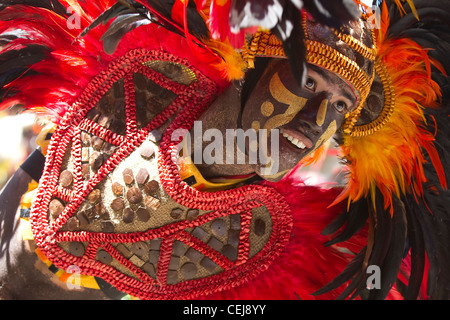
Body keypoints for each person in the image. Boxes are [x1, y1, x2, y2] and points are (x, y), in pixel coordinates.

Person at [0, 0, 448, 300]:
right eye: (309, 80)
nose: (317, 118)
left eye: (341, 105)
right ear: (252, 63)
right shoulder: (131, 87)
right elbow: (29, 249)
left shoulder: (284, 246)